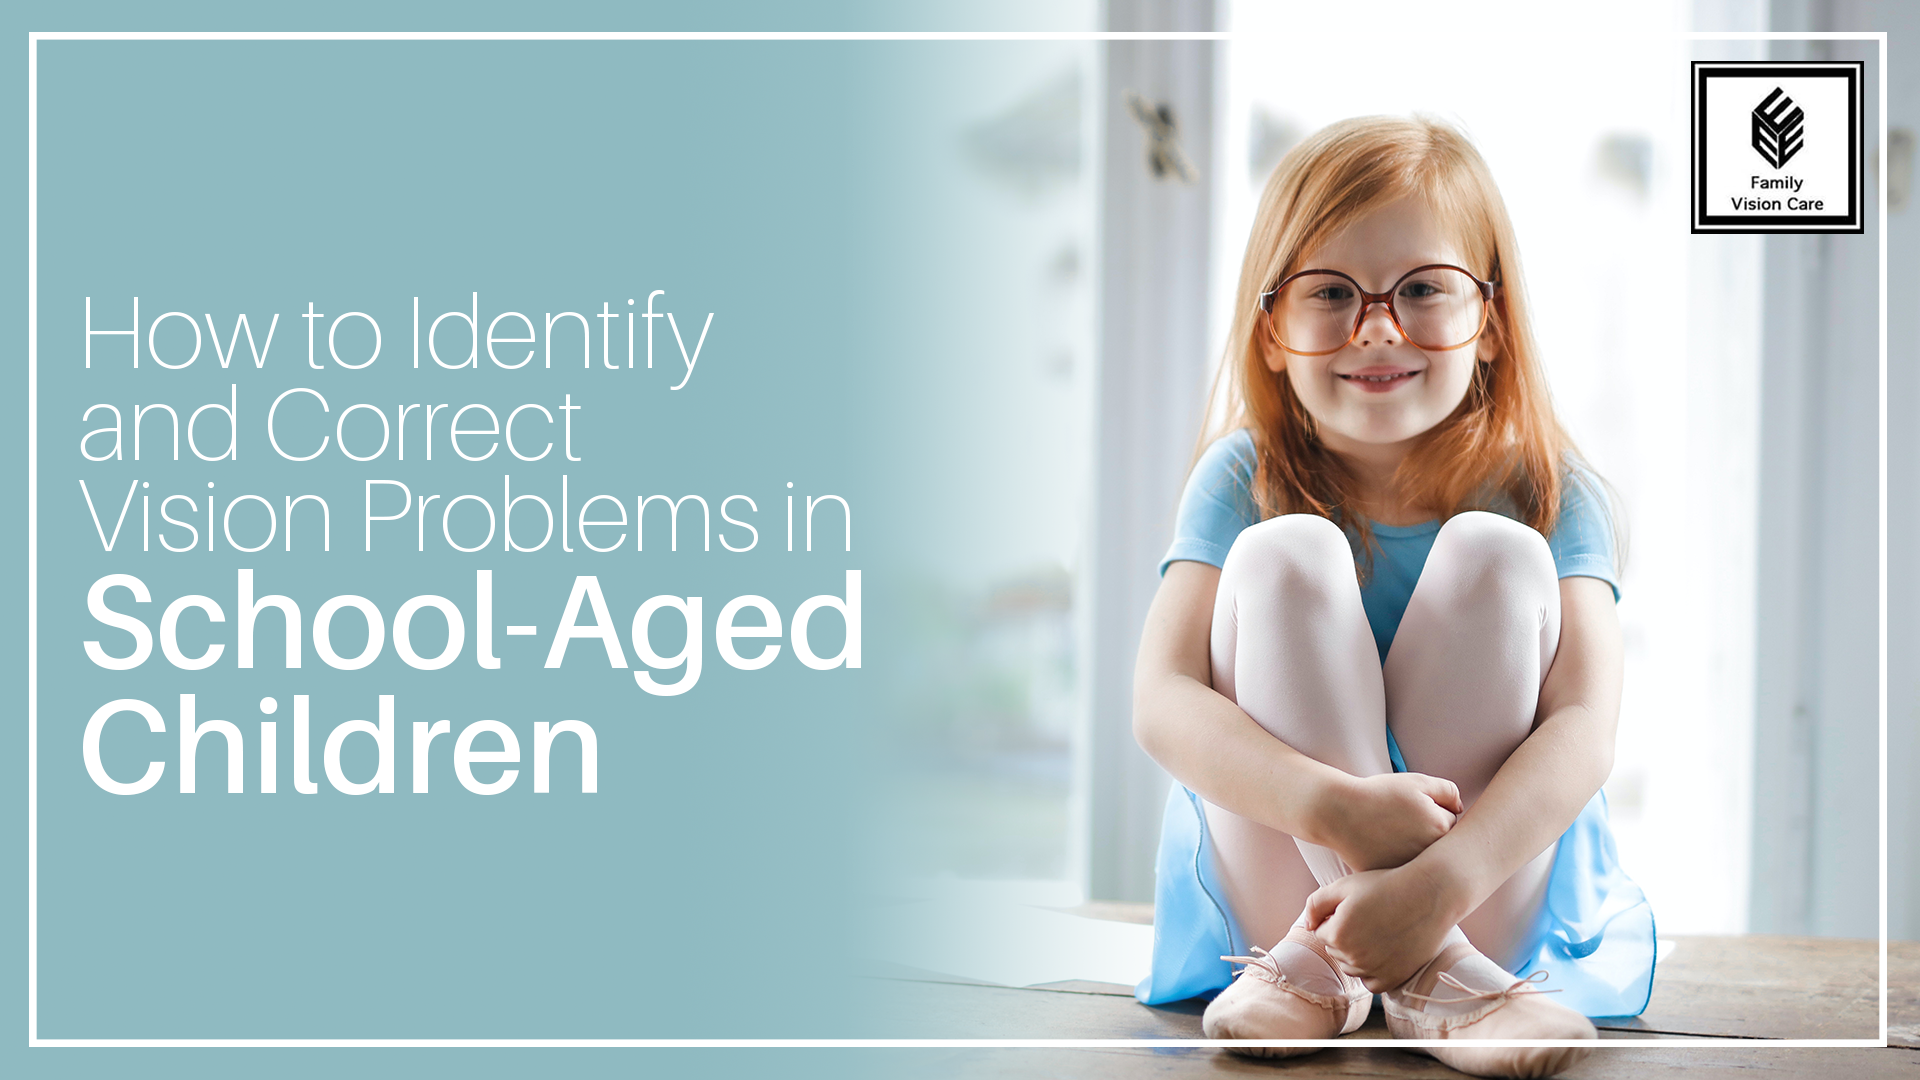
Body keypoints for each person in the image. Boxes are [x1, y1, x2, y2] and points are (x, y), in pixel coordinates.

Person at [1130, 115, 1655, 1079]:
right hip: (1284, 886)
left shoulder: (1550, 489)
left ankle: (1417, 953)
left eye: (1423, 289)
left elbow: (1585, 726)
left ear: (1490, 324)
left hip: (1480, 880)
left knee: (1497, 556)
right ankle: (1437, 980)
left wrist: (1443, 881)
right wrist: (1332, 807)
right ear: (1274, 332)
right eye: (1330, 293)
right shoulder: (1239, 476)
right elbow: (1161, 702)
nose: (1377, 327)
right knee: (1284, 555)